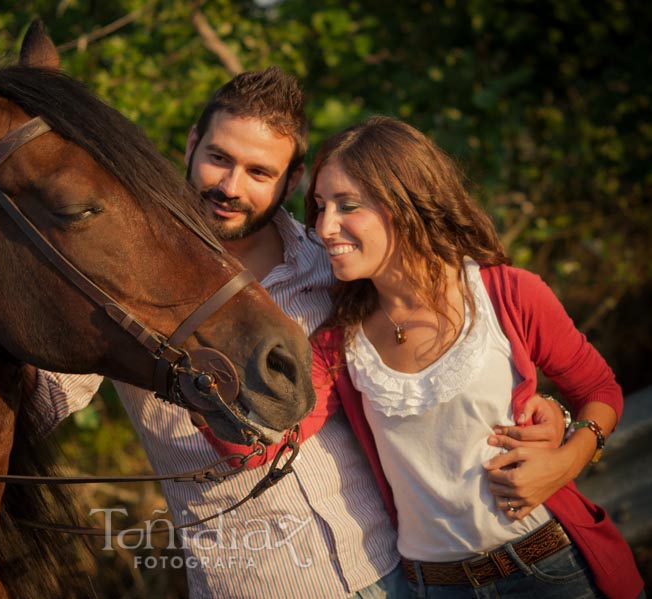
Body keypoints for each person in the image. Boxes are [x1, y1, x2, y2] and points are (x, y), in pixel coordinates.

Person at [26, 73, 564, 599]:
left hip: (392, 567)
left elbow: (437, 358)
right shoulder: (129, 273)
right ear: (192, 144)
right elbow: (41, 394)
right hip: (252, 584)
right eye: (219, 158)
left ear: (295, 178)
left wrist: (544, 409)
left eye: (259, 172)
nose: (230, 187)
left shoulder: (332, 267)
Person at [227, 115, 643, 598]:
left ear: (405, 203)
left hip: (550, 568)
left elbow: (598, 391)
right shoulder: (338, 343)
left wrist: (569, 459)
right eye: (319, 207)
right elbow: (266, 441)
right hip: (435, 587)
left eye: (348, 206)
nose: (324, 227)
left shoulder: (507, 294)